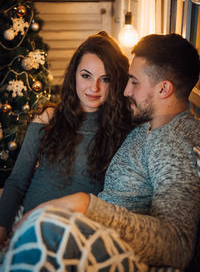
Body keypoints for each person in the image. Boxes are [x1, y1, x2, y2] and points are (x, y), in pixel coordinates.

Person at [1, 33, 200, 272]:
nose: (125, 91)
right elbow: (18, 182)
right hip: (68, 230)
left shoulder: (174, 140)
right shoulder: (145, 130)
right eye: (127, 80)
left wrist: (84, 204)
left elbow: (178, 245)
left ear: (163, 88)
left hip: (81, 237)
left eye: (133, 82)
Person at [0, 31, 133, 248]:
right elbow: (16, 182)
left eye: (105, 79)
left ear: (115, 81)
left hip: (77, 236)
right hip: (27, 226)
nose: (94, 88)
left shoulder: (122, 130)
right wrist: (2, 229)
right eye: (86, 75)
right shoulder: (48, 118)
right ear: (74, 75)